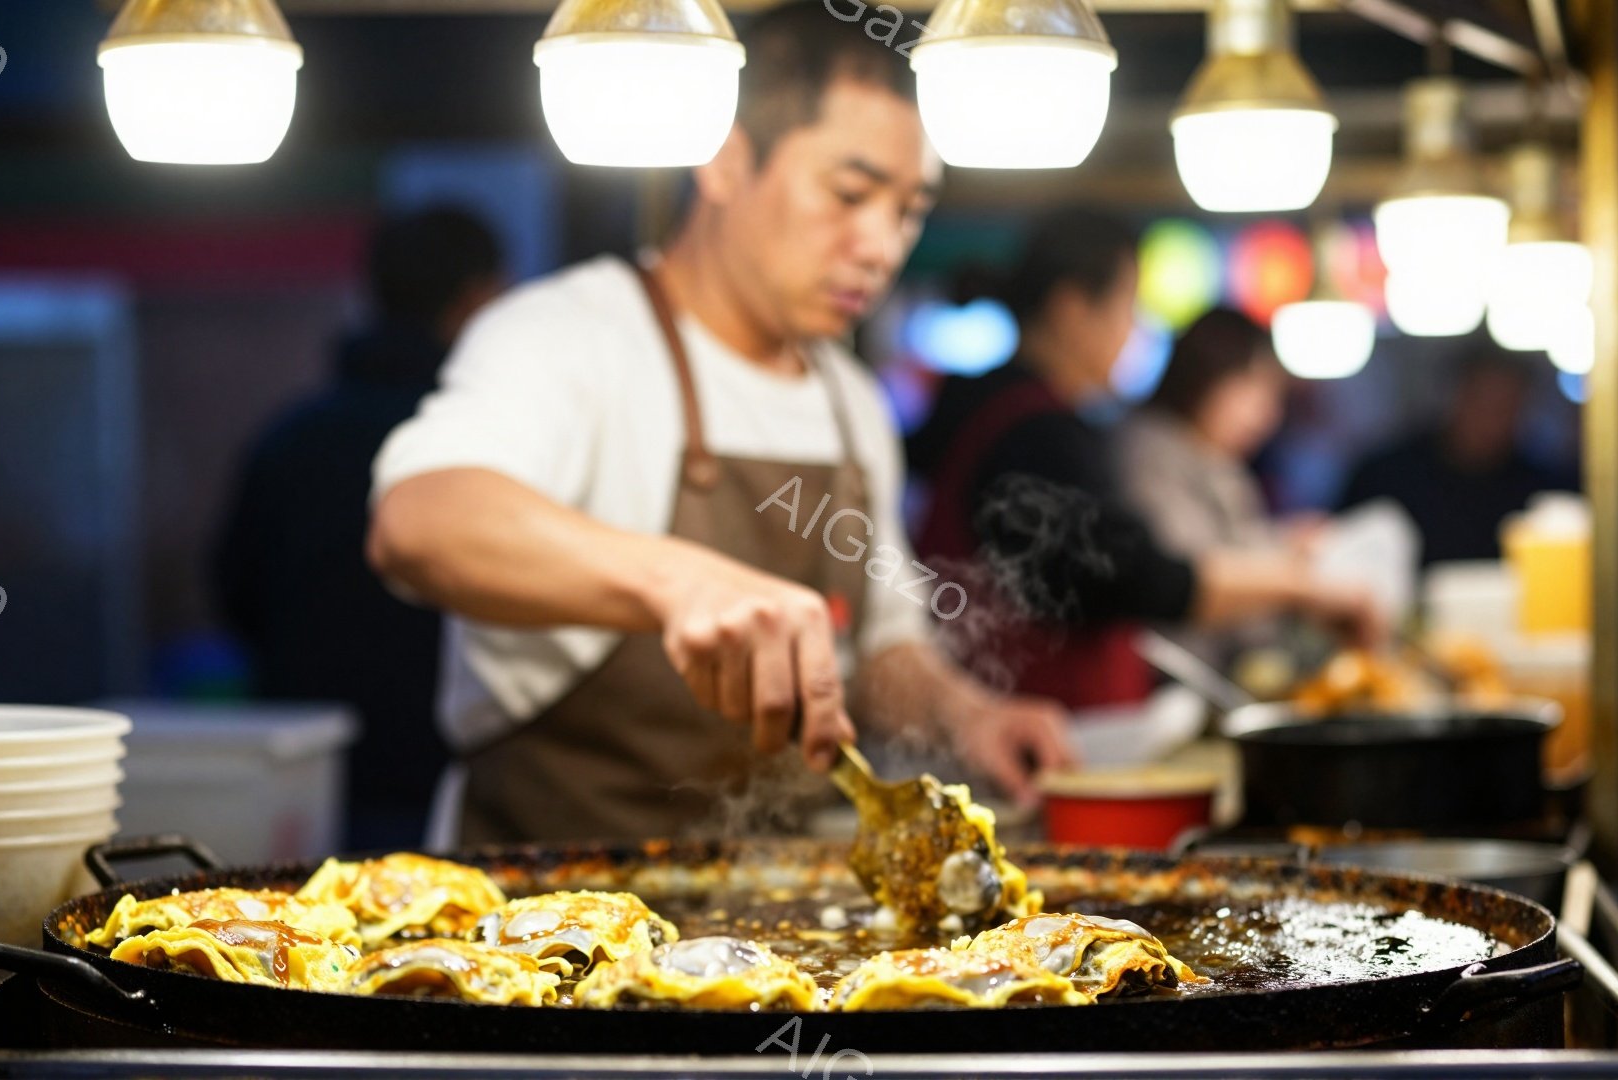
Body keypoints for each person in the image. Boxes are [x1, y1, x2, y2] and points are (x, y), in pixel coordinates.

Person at [366, 2, 1074, 847]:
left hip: (780, 905)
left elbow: (884, 650)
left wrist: (970, 715)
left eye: (908, 211)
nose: (881, 246)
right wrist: (680, 583)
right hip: (545, 897)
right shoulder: (569, 335)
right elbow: (419, 522)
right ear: (727, 160)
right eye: (850, 194)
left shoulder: (851, 400)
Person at [906, 209, 1383, 713]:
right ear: (1072, 309)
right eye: (1129, 307)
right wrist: (1300, 586)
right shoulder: (1036, 431)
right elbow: (1132, 576)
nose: (1135, 331)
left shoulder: (999, 407)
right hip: (1031, 714)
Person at [216, 206, 505, 850]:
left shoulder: (290, 437)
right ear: (475, 300)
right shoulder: (482, 445)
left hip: (302, 775)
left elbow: (234, 595)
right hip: (440, 776)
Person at [1116, 307, 1307, 667]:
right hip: (1170, 681)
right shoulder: (1148, 452)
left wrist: (1288, 544)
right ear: (1205, 373)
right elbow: (1187, 577)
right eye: (1254, 388)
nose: (1267, 414)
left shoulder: (1215, 459)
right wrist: (1297, 578)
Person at [1338, 343, 1573, 565]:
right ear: (1454, 397)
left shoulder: (1544, 487)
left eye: (1506, 406)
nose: (1492, 419)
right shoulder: (1386, 476)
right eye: (1482, 401)